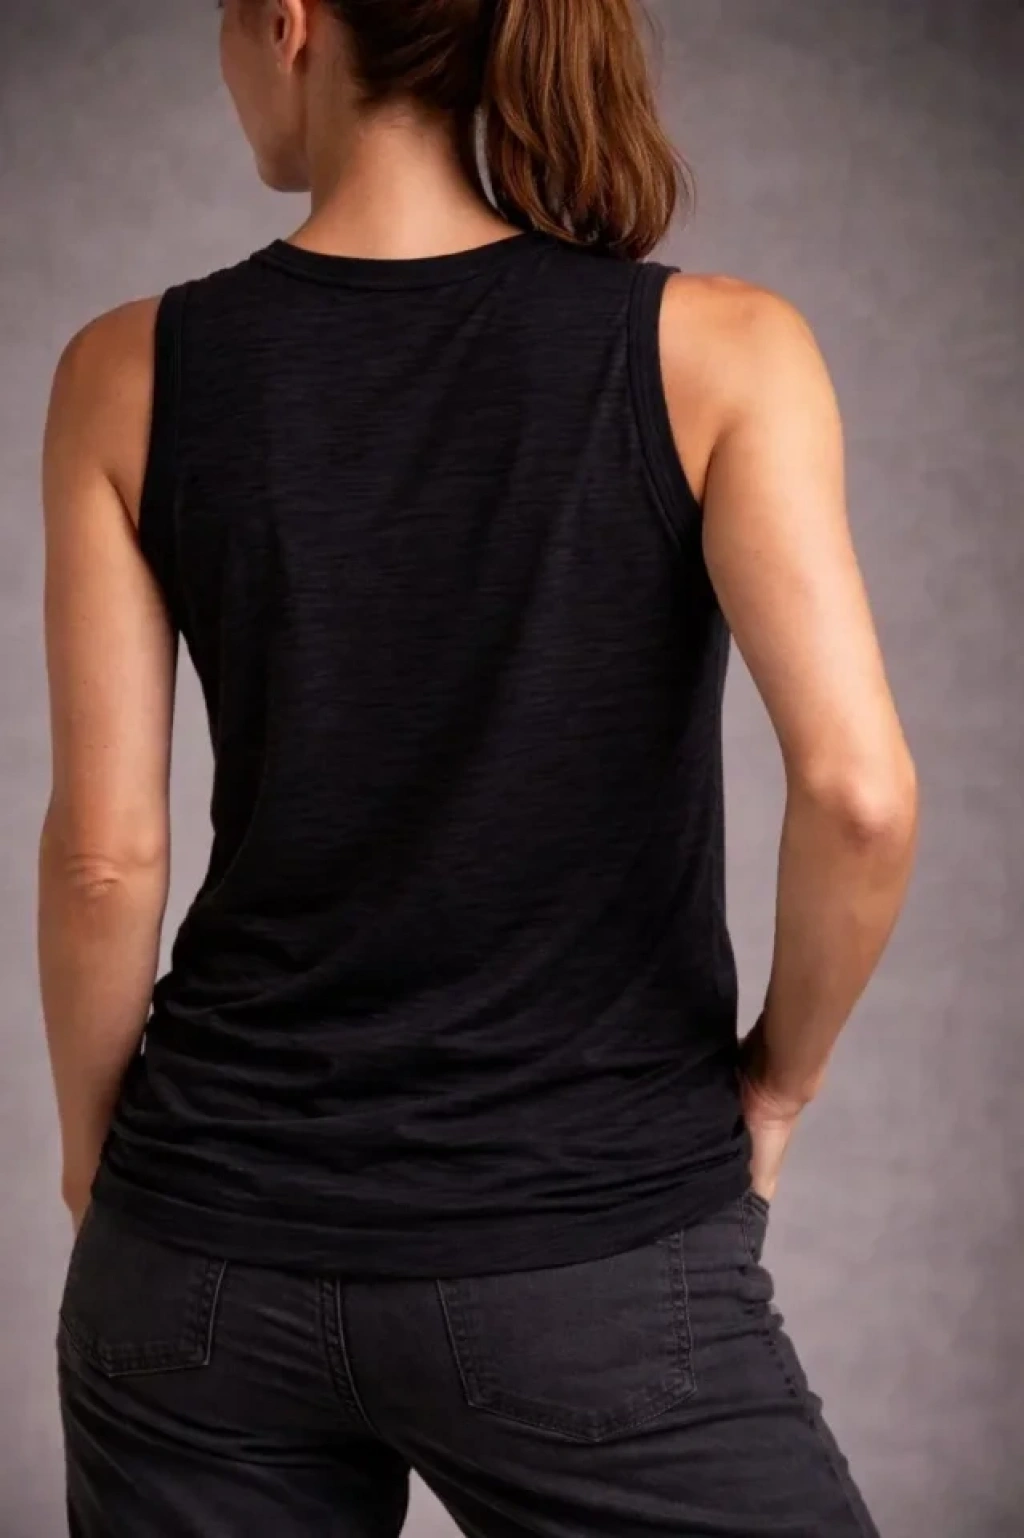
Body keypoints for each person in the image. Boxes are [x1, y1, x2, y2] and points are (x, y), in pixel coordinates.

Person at [38, 1, 918, 1533]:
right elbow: (861, 796)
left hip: (203, 1244)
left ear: (287, 21)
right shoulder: (724, 352)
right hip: (584, 1245)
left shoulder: (127, 370)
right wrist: (776, 1087)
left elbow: (105, 858)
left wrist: (96, 1168)